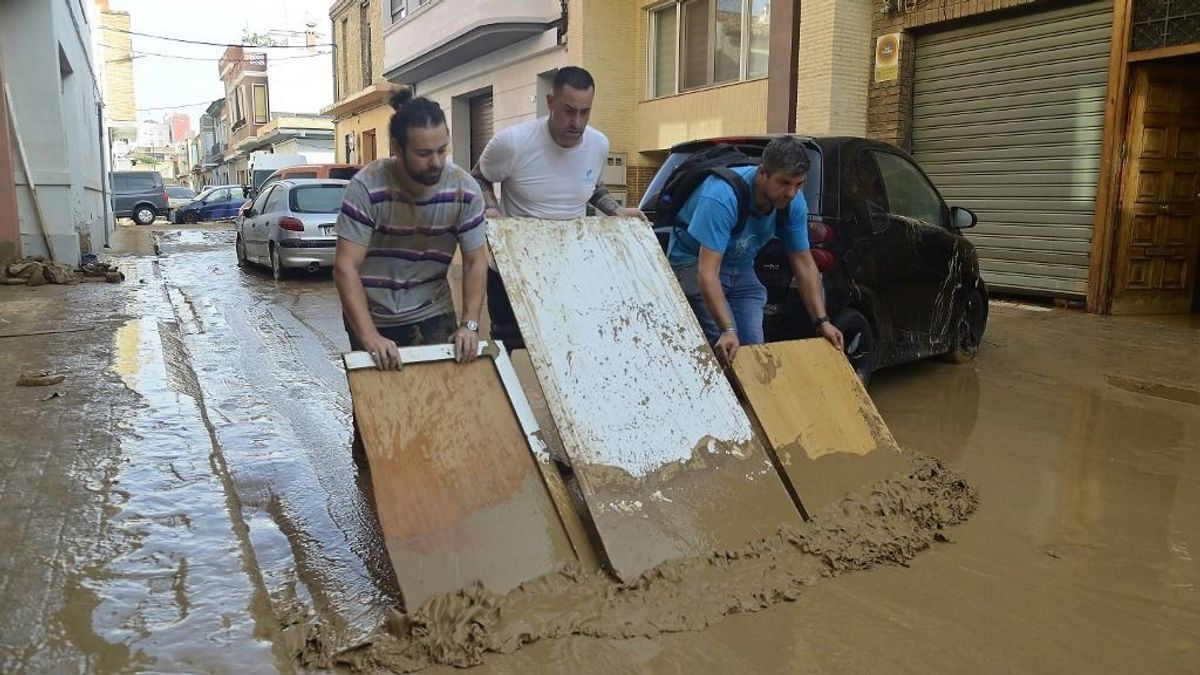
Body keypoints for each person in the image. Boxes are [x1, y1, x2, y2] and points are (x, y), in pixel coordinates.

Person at [472, 66, 644, 348]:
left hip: (569, 270)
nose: (576, 122)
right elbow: (478, 178)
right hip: (514, 271)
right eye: (568, 110)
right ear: (551, 102)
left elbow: (592, 187)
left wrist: (616, 211)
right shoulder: (513, 143)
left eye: (584, 112)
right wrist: (491, 210)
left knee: (569, 347)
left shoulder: (598, 144)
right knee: (511, 351)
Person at [334, 89, 488, 371]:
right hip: (371, 313)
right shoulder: (367, 186)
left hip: (432, 307)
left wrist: (470, 324)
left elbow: (475, 261)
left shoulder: (464, 191)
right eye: (424, 153)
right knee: (379, 412)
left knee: (441, 403)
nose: (436, 163)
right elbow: (345, 267)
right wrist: (369, 337)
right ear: (397, 148)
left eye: (442, 150)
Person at [667, 136, 844, 364]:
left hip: (741, 267)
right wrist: (727, 329)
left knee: (753, 349)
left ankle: (746, 397)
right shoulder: (722, 196)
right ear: (762, 173)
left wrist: (822, 321)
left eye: (798, 184)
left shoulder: (793, 202)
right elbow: (707, 272)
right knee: (727, 351)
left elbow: (804, 263)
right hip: (693, 262)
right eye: (784, 183)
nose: (791, 193)